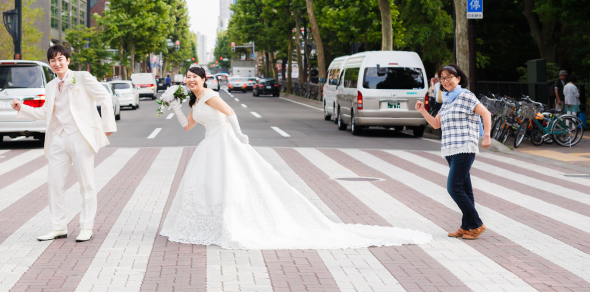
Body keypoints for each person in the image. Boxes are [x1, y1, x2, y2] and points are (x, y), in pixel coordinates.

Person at [159, 65, 431, 250]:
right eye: (187, 77)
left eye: (195, 76)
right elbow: (188, 127)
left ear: (204, 79)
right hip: (209, 146)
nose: (191, 80)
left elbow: (230, 114)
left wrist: (240, 136)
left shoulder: (210, 96)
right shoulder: (194, 101)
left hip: (225, 143)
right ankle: (212, 224)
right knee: (207, 185)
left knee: (231, 183)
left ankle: (230, 225)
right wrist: (175, 107)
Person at [12, 44, 115, 243]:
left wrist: (106, 126)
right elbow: (45, 113)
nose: (57, 63)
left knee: (86, 184)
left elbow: (104, 96)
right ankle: (58, 227)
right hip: (58, 139)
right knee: (54, 183)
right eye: (53, 60)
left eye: (60, 59)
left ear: (68, 60)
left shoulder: (82, 77)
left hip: (80, 136)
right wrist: (22, 108)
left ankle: (86, 227)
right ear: (49, 64)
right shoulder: (50, 86)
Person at [414, 64, 492, 241]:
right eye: (443, 78)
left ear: (458, 78)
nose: (446, 81)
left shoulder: (465, 95)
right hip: (450, 148)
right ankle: (467, 227)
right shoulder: (448, 99)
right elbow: (435, 124)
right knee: (465, 189)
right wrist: (422, 111)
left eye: (450, 77)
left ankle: (477, 223)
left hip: (464, 146)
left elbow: (486, 114)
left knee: (453, 187)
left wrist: (486, 136)